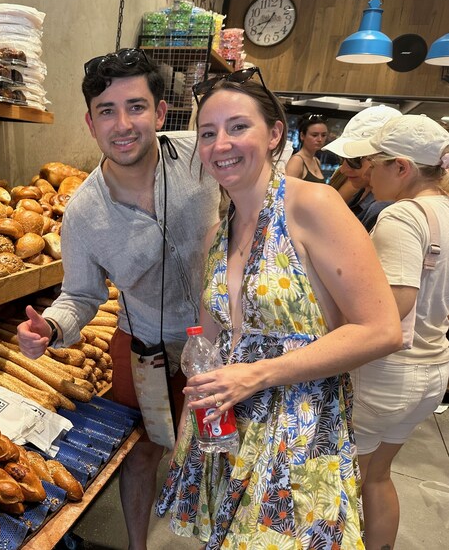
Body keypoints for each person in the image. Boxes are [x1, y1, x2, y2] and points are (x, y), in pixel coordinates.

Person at [155, 67, 402, 549]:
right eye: (208, 133)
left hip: (300, 432)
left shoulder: (312, 205)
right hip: (227, 431)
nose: (220, 143)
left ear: (273, 135)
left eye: (237, 127)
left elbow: (381, 328)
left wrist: (258, 374)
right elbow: (207, 339)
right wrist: (191, 419)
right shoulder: (216, 235)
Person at [16, 48, 221, 550]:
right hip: (144, 347)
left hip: (222, 342)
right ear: (90, 123)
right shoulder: (84, 212)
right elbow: (81, 294)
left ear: (160, 113)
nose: (123, 123)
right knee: (142, 451)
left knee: (220, 446)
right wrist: (53, 326)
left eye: (135, 106)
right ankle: (137, 546)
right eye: (107, 111)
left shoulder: (205, 158)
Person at [342, 114, 449, 550]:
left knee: (344, 483)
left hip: (387, 374)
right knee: (379, 475)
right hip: (433, 367)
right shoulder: (443, 209)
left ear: (402, 167)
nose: (368, 172)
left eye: (376, 162)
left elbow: (393, 305)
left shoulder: (403, 215)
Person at [321, 105, 402, 231]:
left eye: (355, 160)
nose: (343, 169)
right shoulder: (361, 191)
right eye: (342, 159)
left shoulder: (388, 212)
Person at [284, 112, 328, 182]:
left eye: (323, 135)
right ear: (302, 136)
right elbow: (286, 190)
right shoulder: (297, 161)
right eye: (314, 135)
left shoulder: (316, 161)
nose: (320, 139)